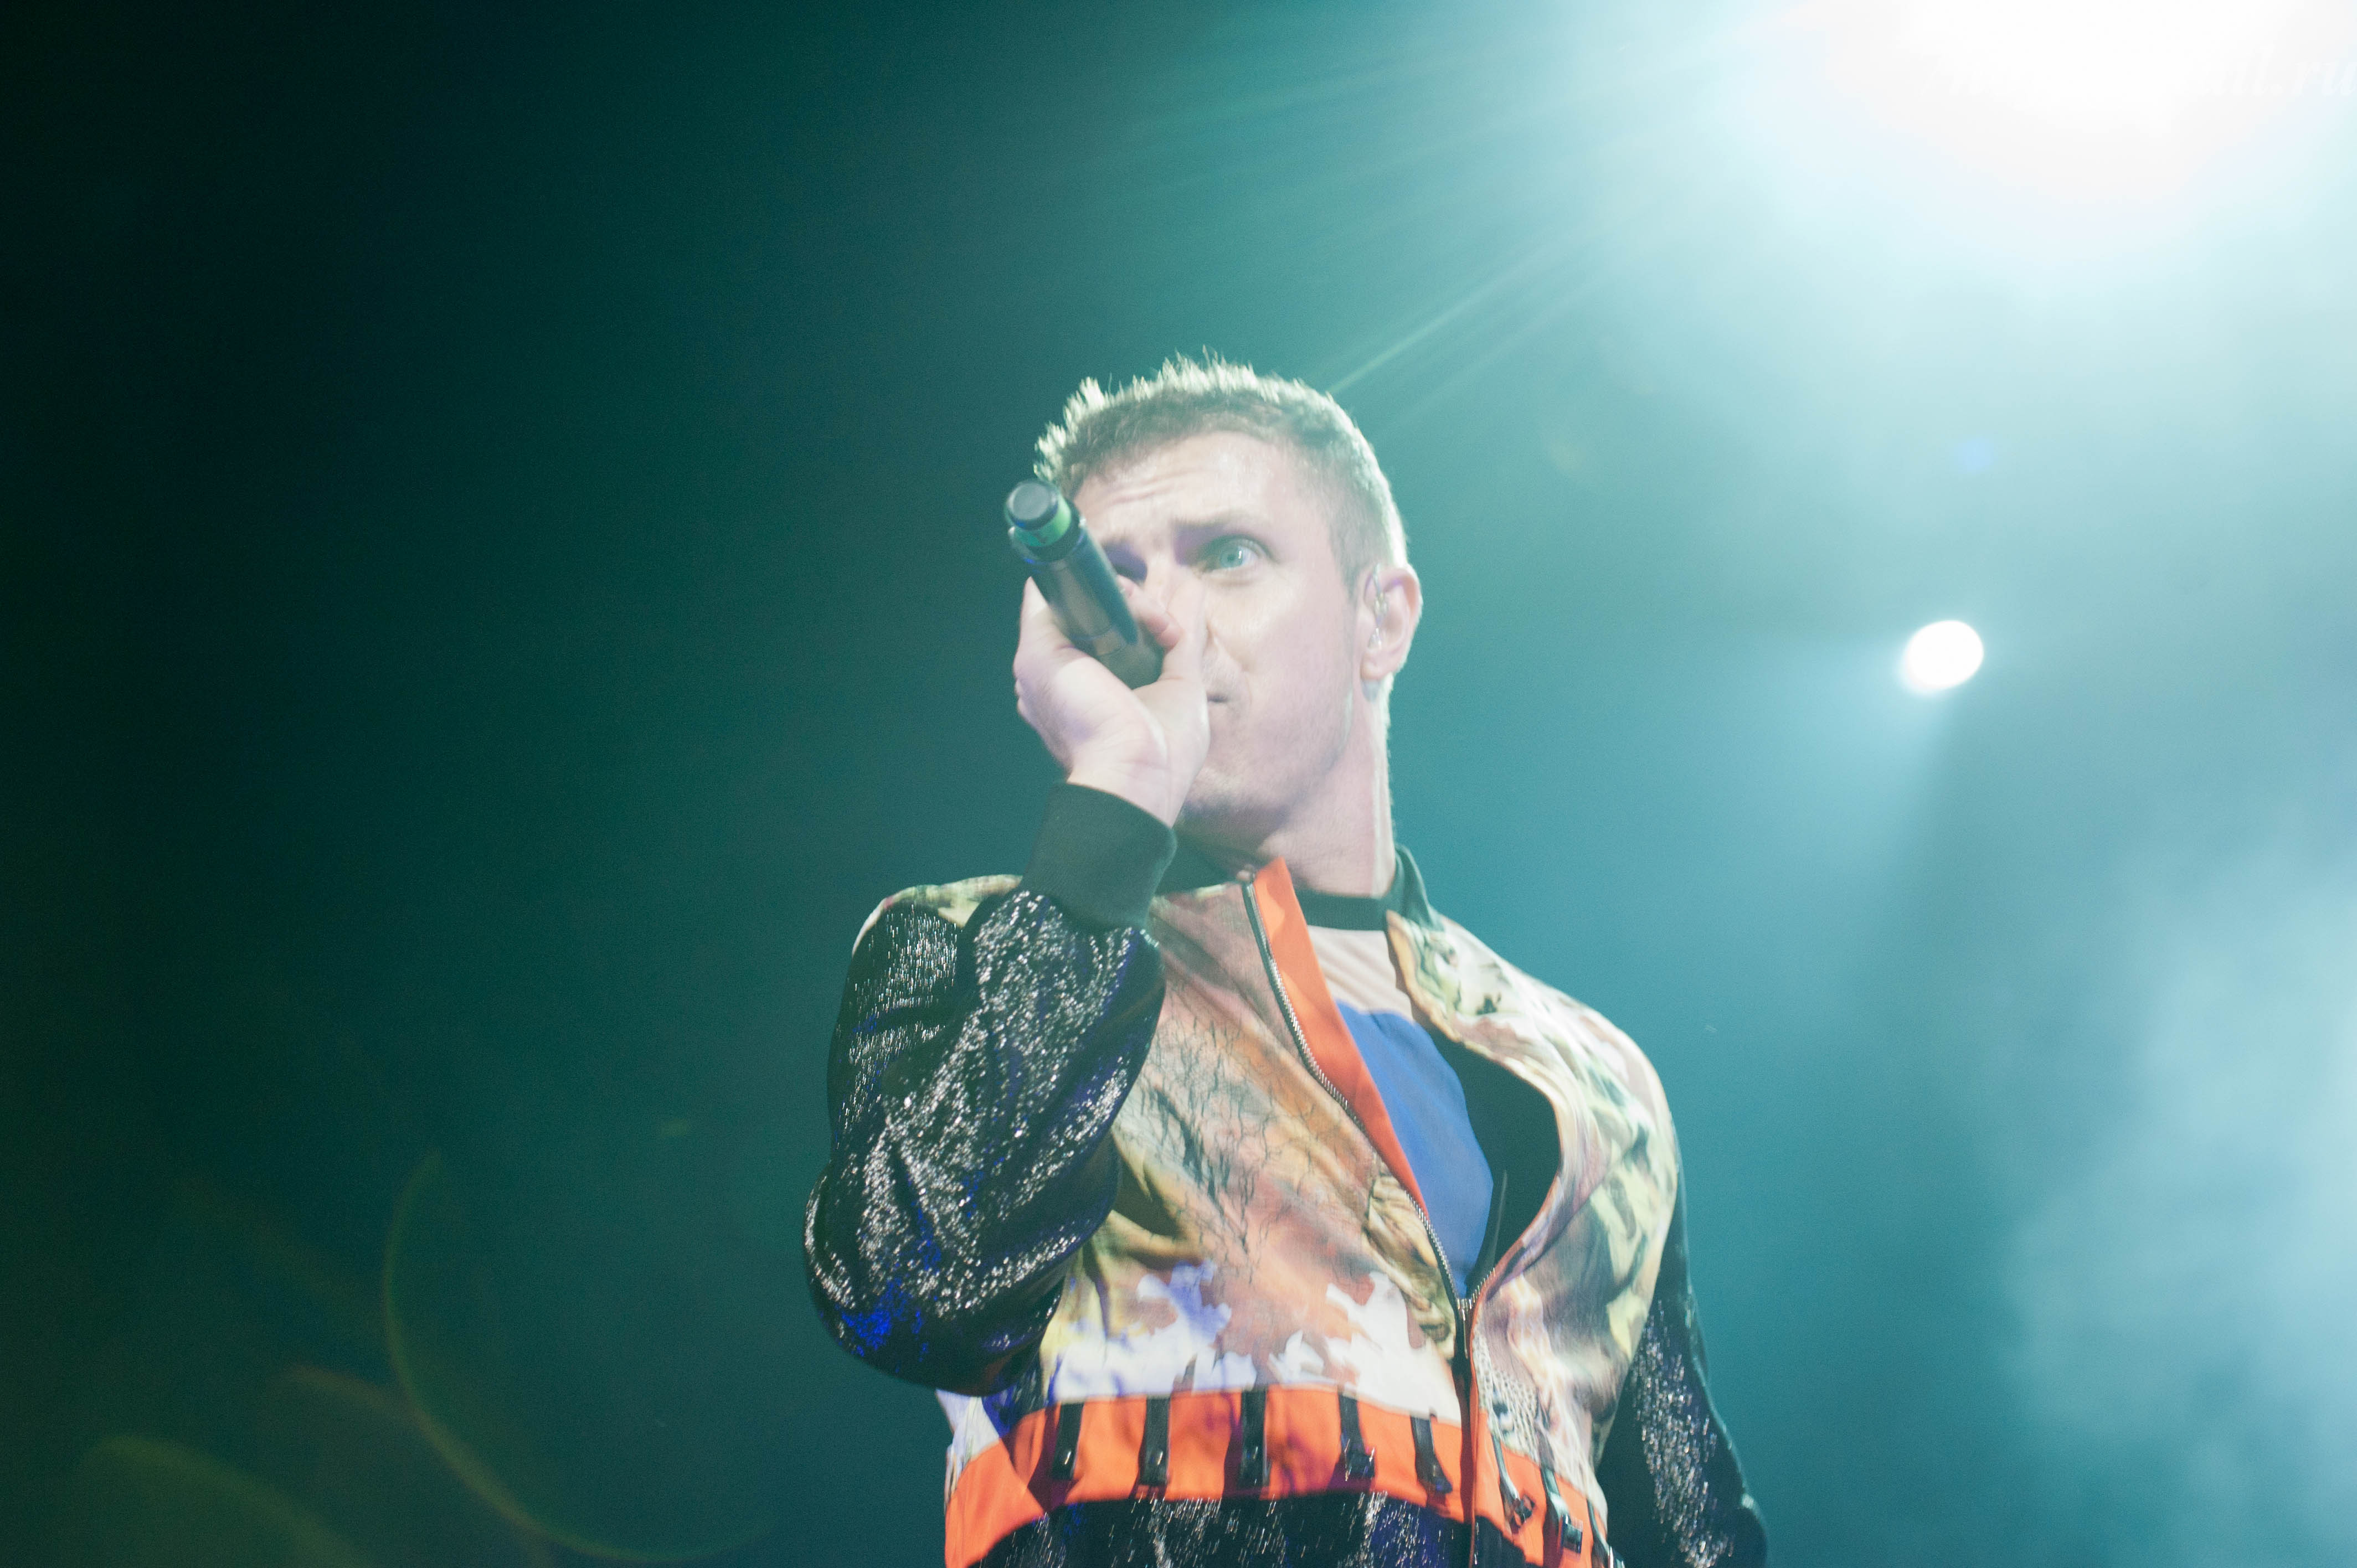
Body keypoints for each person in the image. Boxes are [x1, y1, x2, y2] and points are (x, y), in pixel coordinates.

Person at [802, 358, 1767, 1568]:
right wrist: (1118, 795)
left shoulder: (1595, 1076)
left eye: (1228, 556)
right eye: (1116, 575)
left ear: (1382, 620)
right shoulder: (972, 952)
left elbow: (1693, 1534)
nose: (1159, 619)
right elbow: (912, 1294)